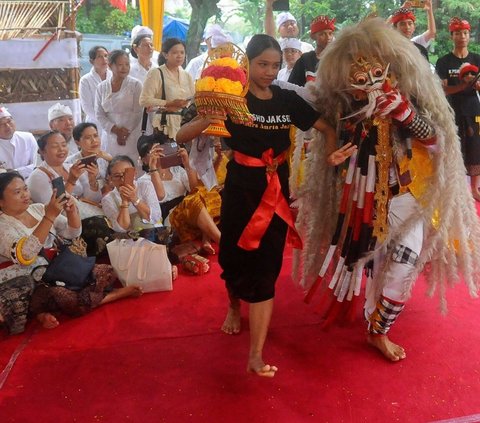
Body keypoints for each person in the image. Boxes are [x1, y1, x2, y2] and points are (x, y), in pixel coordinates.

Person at [293, 18, 480, 362]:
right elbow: (335, 154)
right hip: (364, 202)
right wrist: (335, 159)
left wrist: (406, 115)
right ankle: (374, 308)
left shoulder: (412, 97)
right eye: (361, 79)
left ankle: (378, 329)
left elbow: (440, 144)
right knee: (374, 263)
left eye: (377, 72)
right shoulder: (346, 110)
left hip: (408, 197)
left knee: (404, 263)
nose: (371, 82)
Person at [177, 34, 353, 377]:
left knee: (266, 270)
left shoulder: (287, 99)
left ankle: (255, 355)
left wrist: (331, 155)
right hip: (240, 192)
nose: (270, 72)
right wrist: (210, 114)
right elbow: (183, 136)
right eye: (263, 64)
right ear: (248, 64)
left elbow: (325, 127)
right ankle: (233, 306)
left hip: (276, 195)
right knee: (232, 259)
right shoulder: (232, 97)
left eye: (275, 65)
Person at [0, 171, 142, 334]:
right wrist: (50, 216)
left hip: (57, 267)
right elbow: (26, 255)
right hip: (31, 279)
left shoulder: (37, 209)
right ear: (1, 202)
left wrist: (72, 212)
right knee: (65, 296)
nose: (25, 194)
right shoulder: (3, 225)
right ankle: (112, 296)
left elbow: (72, 233)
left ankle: (42, 312)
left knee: (105, 272)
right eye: (17, 192)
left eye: (25, 189)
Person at [138, 140, 221, 254]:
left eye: (161, 150)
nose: (158, 154)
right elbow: (160, 196)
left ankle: (206, 239)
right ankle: (222, 242)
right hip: (171, 221)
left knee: (207, 191)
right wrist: (153, 167)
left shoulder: (177, 171)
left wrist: (187, 164)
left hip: (190, 211)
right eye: (153, 152)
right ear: (143, 159)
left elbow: (194, 189)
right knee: (192, 201)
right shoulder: (144, 180)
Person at [436, 17, 480, 201]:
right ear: (451, 36)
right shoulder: (444, 62)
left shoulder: (477, 59)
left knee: (475, 146)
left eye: (465, 33)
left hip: (474, 110)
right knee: (453, 147)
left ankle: (475, 188)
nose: (462, 36)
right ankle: (453, 189)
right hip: (451, 111)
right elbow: (442, 90)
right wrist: (463, 85)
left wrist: (477, 86)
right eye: (457, 33)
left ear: (469, 36)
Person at [28, 131, 102, 219]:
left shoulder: (71, 167)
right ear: (42, 151)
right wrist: (71, 181)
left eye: (64, 145)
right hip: (65, 223)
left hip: (87, 214)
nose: (61, 149)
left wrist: (92, 180)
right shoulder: (37, 177)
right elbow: (55, 211)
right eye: (55, 146)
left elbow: (95, 200)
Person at [139, 38, 195, 140]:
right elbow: (144, 100)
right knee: (167, 154)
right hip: (165, 125)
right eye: (175, 52)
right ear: (165, 55)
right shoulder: (156, 73)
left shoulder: (187, 75)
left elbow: (193, 99)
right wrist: (169, 103)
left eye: (182, 52)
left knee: (183, 155)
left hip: (185, 124)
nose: (179, 56)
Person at [95, 50, 143, 165]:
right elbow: (99, 114)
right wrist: (115, 130)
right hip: (110, 135)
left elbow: (138, 112)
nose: (124, 68)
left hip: (131, 135)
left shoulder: (136, 85)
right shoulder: (102, 87)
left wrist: (124, 133)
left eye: (127, 64)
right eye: (120, 65)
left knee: (131, 167)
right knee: (110, 166)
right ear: (110, 65)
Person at [101, 155, 162, 233]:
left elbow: (156, 217)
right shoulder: (107, 199)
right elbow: (121, 229)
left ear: (135, 173)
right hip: (130, 241)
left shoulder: (145, 185)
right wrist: (124, 201)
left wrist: (135, 199)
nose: (122, 179)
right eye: (117, 176)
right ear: (110, 178)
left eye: (126, 174)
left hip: (155, 234)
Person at [288, 15, 335, 86]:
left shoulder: (338, 59)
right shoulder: (305, 60)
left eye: (330, 34)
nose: (328, 37)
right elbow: (292, 88)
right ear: (313, 36)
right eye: (322, 34)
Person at [78, 46, 112, 133]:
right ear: (91, 61)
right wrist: (103, 120)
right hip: (95, 124)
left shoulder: (114, 76)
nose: (104, 59)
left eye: (105, 55)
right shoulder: (85, 80)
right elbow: (87, 107)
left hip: (114, 121)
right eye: (100, 56)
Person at [0, 107, 38, 178]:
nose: (7, 126)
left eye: (9, 121)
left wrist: (11, 172)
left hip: (29, 182)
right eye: (1, 124)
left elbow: (34, 167)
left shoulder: (27, 138)